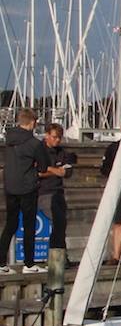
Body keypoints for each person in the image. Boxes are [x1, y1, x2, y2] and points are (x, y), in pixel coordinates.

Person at [2, 108, 49, 274]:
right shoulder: (35, 143)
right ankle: (29, 264)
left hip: (10, 187)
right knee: (29, 226)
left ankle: (1, 263)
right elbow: (44, 167)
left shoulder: (9, 139)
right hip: (27, 187)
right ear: (32, 123)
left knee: (10, 224)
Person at [38, 123, 77, 256]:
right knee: (57, 221)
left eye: (59, 137)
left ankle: (60, 254)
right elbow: (38, 172)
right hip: (43, 192)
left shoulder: (61, 152)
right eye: (54, 137)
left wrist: (48, 169)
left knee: (62, 223)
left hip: (59, 191)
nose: (57, 140)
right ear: (47, 135)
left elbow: (68, 172)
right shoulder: (39, 150)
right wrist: (54, 170)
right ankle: (58, 255)